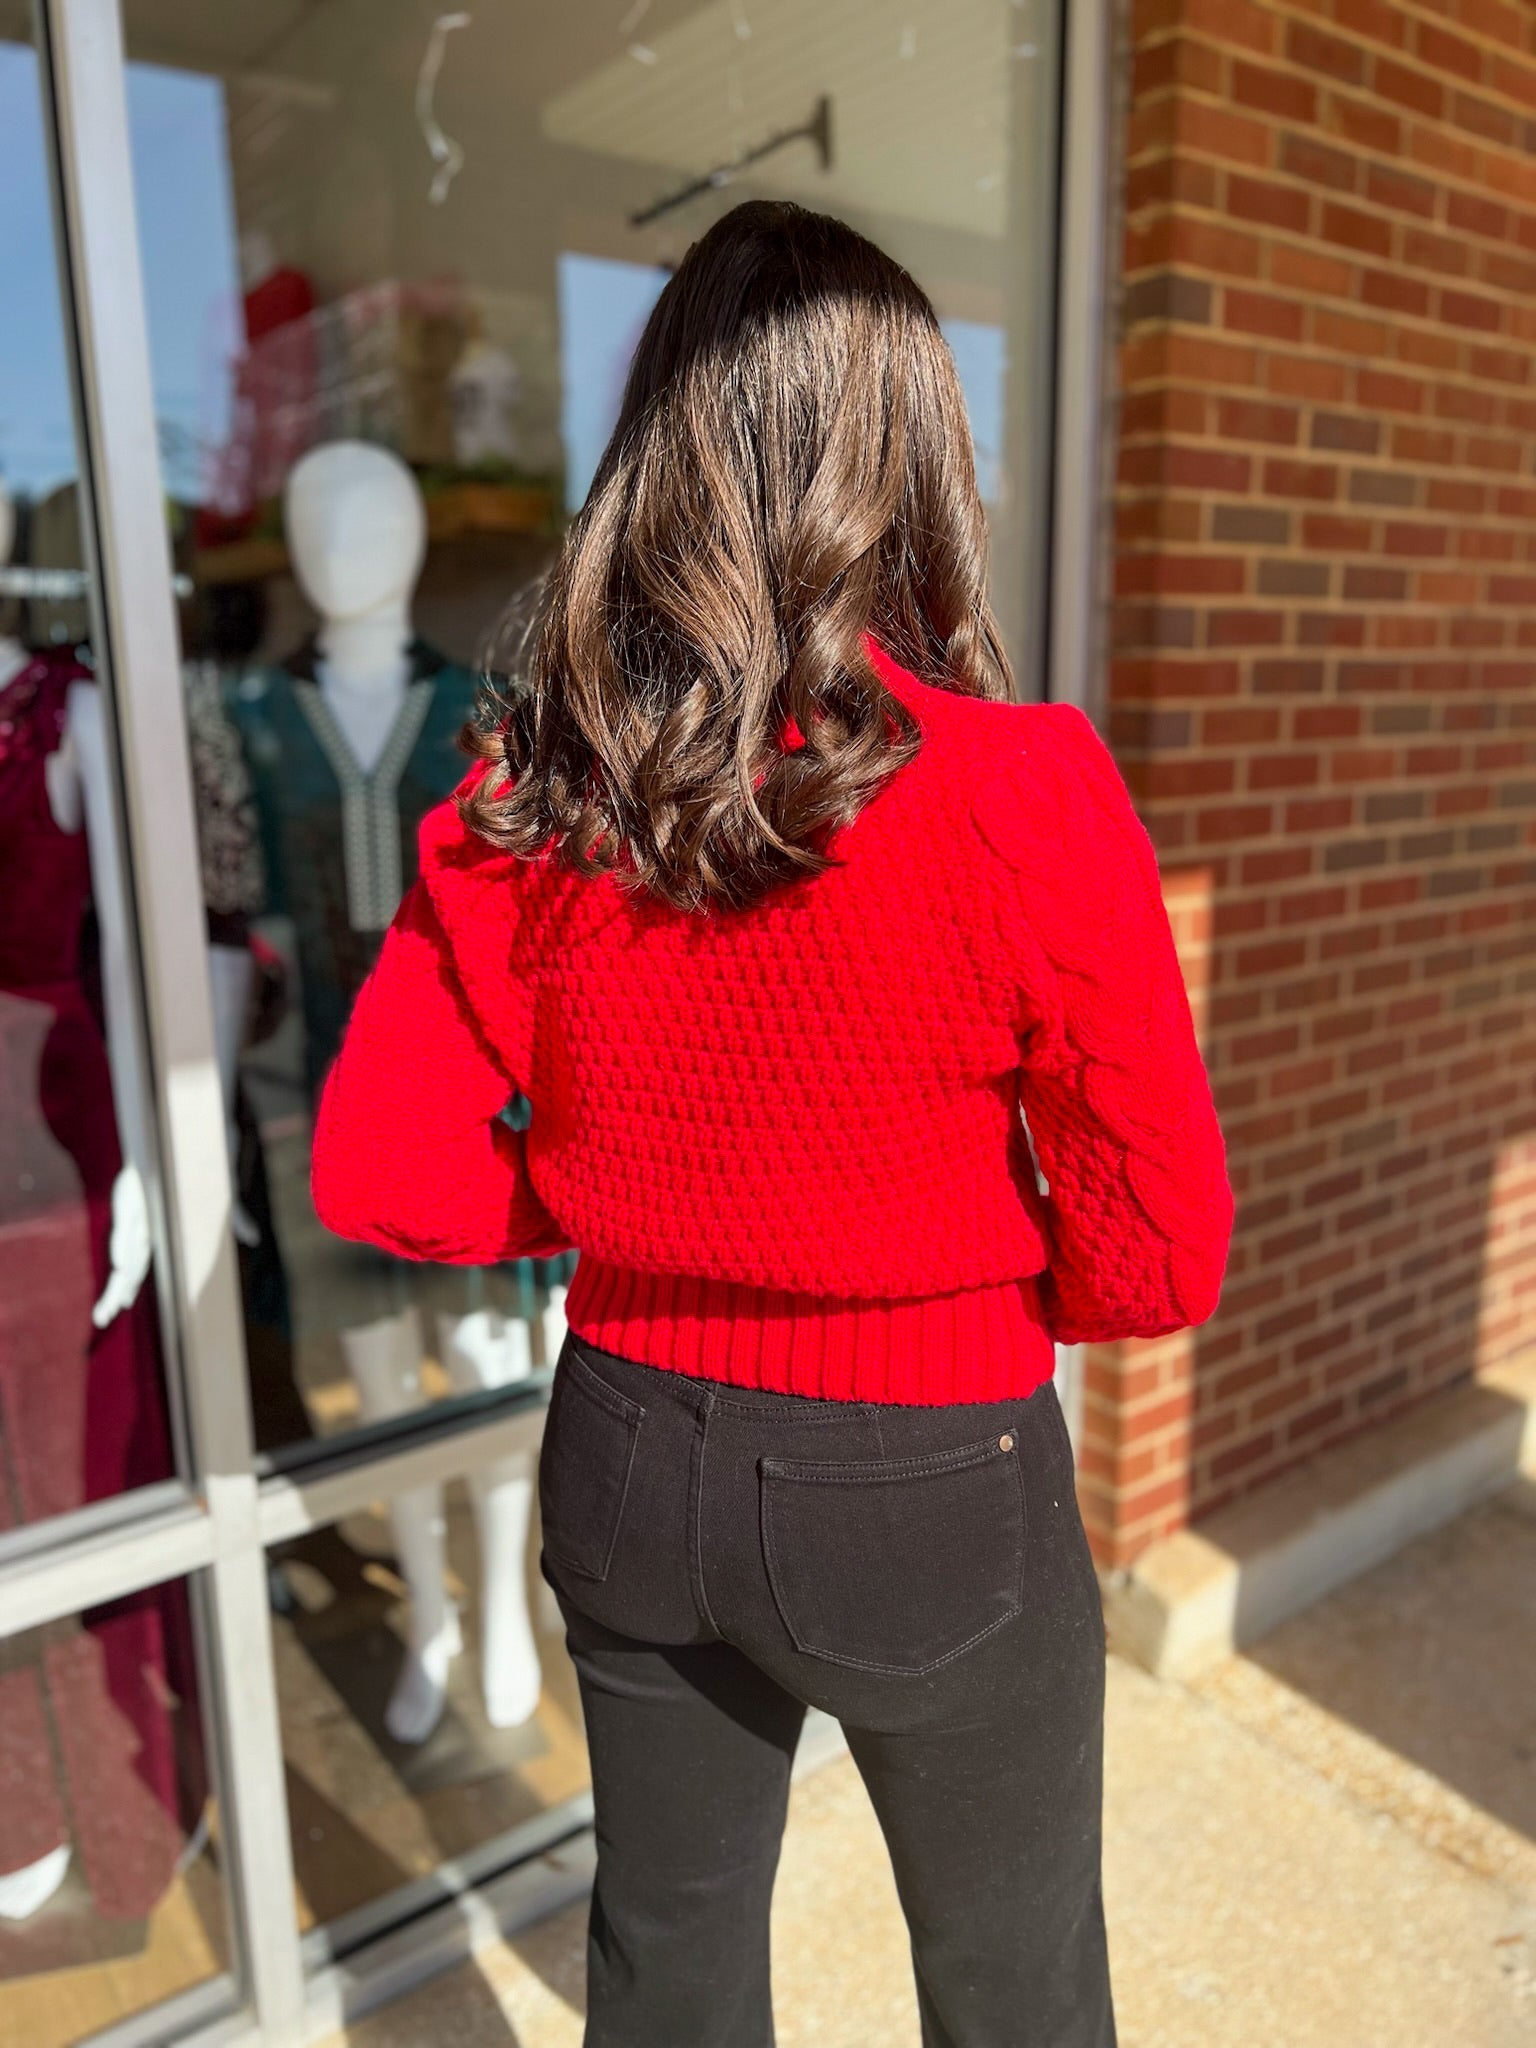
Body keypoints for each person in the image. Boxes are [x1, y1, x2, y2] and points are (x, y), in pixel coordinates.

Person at [310, 198, 1235, 2048]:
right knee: (1017, 1988)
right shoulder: (1022, 792)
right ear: (913, 460)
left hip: (627, 1452)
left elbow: (383, 1173)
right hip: (929, 1478)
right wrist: (934, 1274)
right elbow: (1158, 1254)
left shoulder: (527, 803)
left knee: (664, 1971)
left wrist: (607, 1203)